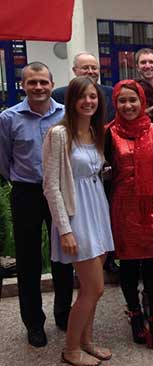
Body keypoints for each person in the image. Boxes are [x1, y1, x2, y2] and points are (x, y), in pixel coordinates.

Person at [0, 62, 73, 347]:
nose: (39, 87)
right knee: (29, 260)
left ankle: (64, 314)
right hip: (27, 193)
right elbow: (3, 159)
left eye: (43, 82)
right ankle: (33, 323)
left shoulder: (66, 114)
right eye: (33, 83)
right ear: (23, 85)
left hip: (61, 192)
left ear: (52, 84)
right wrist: (20, 180)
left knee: (63, 255)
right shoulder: (8, 118)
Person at [43, 75, 114, 365]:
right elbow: (51, 185)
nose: (88, 101)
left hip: (97, 209)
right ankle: (70, 349)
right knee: (94, 288)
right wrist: (65, 229)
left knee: (90, 289)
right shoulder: (59, 134)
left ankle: (86, 341)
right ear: (71, 100)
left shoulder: (96, 134)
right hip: (77, 215)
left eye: (93, 97)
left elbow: (94, 173)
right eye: (82, 96)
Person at [105, 80, 153, 354]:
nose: (128, 105)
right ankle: (135, 315)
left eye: (133, 100)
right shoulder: (108, 134)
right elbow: (104, 176)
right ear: (115, 103)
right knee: (130, 266)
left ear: (142, 101)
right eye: (122, 100)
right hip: (123, 209)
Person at [52, 52, 115, 123]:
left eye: (94, 68)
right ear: (74, 70)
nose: (90, 71)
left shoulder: (111, 93)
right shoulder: (59, 95)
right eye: (85, 68)